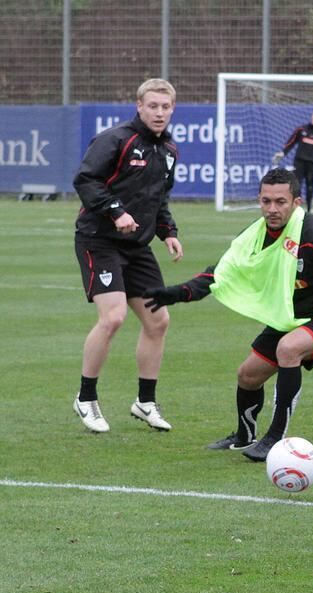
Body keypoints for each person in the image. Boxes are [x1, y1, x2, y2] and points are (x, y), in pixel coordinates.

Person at [142, 168, 313, 462]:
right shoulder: (254, 236)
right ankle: (244, 436)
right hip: (290, 315)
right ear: (258, 200)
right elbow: (220, 274)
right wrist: (178, 293)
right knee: (247, 375)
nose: (272, 209)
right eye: (266, 201)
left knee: (289, 348)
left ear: (296, 202)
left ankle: (274, 438)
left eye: (280, 202)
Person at [72, 78, 184, 434]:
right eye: (153, 106)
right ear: (139, 106)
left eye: (165, 107)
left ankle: (144, 402)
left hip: (137, 246)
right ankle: (85, 398)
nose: (159, 113)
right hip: (98, 239)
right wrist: (115, 211)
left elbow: (158, 199)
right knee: (114, 317)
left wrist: (169, 233)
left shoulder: (169, 151)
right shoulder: (116, 139)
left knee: (158, 321)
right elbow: (86, 180)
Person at [272, 110, 313, 212]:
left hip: (312, 163)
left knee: (310, 186)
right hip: (299, 162)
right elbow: (291, 142)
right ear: (312, 116)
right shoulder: (301, 129)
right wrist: (283, 153)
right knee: (296, 185)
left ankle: (309, 210)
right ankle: (295, 208)